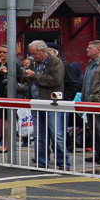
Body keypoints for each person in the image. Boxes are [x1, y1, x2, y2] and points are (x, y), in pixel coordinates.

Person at [25, 39, 68, 169]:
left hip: (51, 103)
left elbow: (55, 80)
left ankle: (63, 162)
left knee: (57, 135)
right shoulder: (33, 63)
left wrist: (35, 76)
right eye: (31, 54)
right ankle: (41, 162)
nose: (33, 56)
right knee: (39, 135)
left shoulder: (56, 62)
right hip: (36, 103)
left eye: (35, 54)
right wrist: (26, 75)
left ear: (43, 52)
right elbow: (26, 78)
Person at [0, 45, 23, 153]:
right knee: (2, 121)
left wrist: (7, 72)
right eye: (0, 52)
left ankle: (8, 145)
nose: (2, 54)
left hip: (10, 96)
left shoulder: (14, 66)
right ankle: (5, 143)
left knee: (9, 121)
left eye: (4, 52)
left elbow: (20, 78)